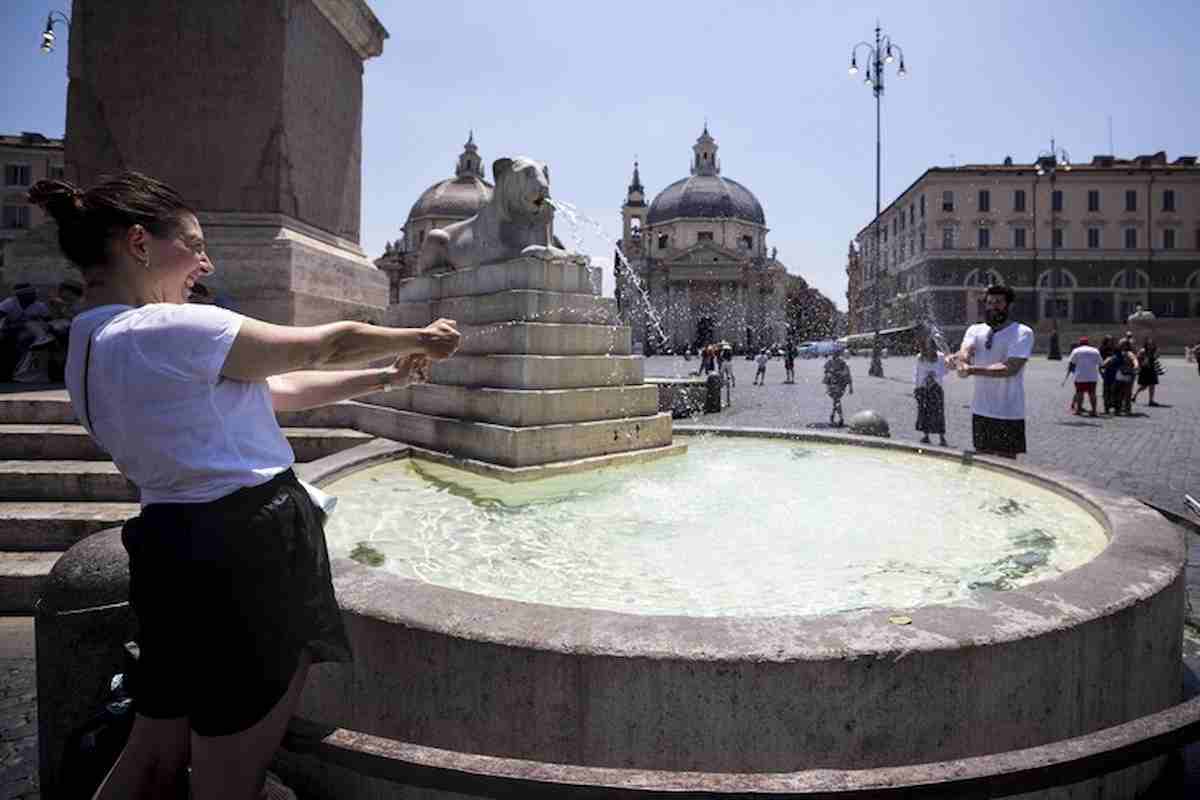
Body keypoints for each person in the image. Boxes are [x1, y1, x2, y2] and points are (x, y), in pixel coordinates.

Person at [30, 172, 461, 800]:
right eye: (194, 244)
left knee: (151, 752)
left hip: (166, 544)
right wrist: (422, 337)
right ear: (139, 244)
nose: (205, 262)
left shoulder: (89, 342)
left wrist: (384, 378)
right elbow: (322, 346)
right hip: (248, 549)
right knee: (229, 777)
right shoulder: (176, 327)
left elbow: (273, 392)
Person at [948, 285, 1033, 458]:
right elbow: (966, 350)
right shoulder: (975, 330)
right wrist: (957, 360)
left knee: (1007, 465)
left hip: (1008, 412)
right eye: (989, 302)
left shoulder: (1022, 332)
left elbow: (1010, 368)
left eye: (998, 302)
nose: (993, 306)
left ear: (1009, 305)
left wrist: (971, 370)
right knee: (982, 462)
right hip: (981, 410)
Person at [0, 283, 51, 379]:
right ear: (21, 295)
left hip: (31, 333)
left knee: (26, 336)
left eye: (34, 293)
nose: (34, 295)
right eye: (31, 293)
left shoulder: (40, 306)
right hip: (11, 330)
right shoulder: (9, 303)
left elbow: (48, 322)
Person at [913, 335, 947, 446]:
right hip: (923, 388)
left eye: (931, 347)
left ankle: (942, 437)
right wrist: (917, 388)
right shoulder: (920, 357)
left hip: (936, 388)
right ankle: (926, 435)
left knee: (938, 413)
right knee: (924, 412)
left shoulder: (940, 357)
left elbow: (945, 371)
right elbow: (917, 374)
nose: (929, 349)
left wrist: (934, 377)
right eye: (926, 347)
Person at [1066, 336, 1101, 417]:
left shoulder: (1076, 351)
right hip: (1092, 376)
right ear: (1088, 343)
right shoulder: (1095, 350)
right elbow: (1100, 363)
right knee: (1092, 393)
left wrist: (1069, 372)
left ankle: (1078, 410)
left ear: (1080, 343)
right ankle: (1094, 410)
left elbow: (1071, 363)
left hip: (1080, 376)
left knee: (1079, 393)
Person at [1106, 339, 1138, 415]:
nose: (1120, 345)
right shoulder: (1118, 353)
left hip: (1126, 376)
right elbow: (1111, 359)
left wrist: (1136, 366)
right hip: (1118, 376)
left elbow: (1134, 360)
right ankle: (1118, 409)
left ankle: (1127, 409)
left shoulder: (1129, 353)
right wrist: (1106, 363)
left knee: (1126, 394)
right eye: (1120, 344)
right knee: (1117, 393)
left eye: (1122, 344)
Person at [823, 350, 853, 426]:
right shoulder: (829, 362)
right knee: (836, 401)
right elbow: (826, 373)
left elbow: (847, 374)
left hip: (839, 385)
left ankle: (839, 418)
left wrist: (850, 386)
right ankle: (835, 416)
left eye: (835, 354)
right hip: (833, 385)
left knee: (836, 401)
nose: (834, 355)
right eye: (833, 353)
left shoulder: (842, 363)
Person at [1132, 337, 1162, 407]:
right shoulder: (1143, 351)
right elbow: (1137, 358)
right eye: (1149, 344)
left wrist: (1157, 355)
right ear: (1146, 344)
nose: (1151, 345)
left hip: (1152, 369)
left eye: (1152, 344)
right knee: (1144, 386)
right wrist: (1141, 364)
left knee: (1152, 385)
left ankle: (1151, 401)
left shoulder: (1154, 351)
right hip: (1144, 370)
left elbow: (1156, 358)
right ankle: (1134, 395)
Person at [1097, 335, 1117, 414]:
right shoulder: (1101, 349)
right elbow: (1099, 361)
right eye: (1109, 341)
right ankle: (1106, 407)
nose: (1110, 342)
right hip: (1105, 371)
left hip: (1114, 370)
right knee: (1106, 389)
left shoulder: (1115, 349)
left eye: (1111, 341)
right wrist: (1101, 370)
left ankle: (1113, 405)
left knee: (1114, 389)